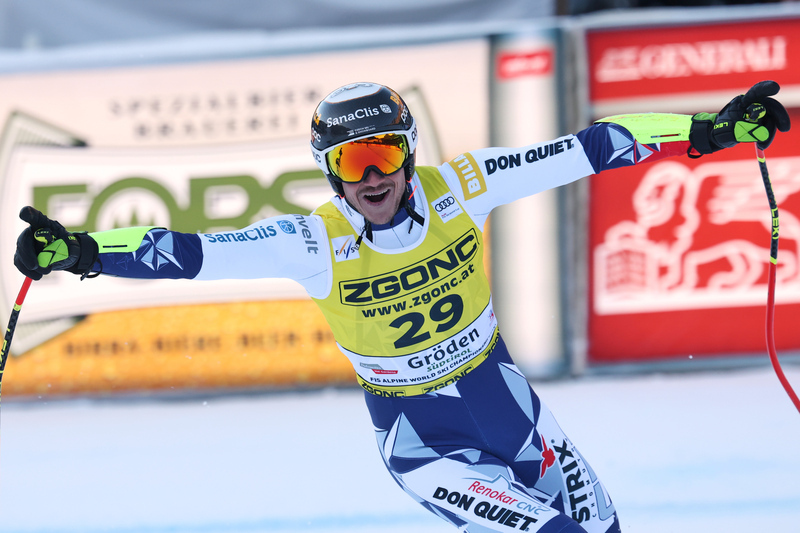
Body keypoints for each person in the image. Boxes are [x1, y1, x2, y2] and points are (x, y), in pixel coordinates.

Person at [14, 80, 790, 533]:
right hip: (426, 445)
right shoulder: (311, 242)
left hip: (512, 411)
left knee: (603, 529)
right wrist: (80, 250)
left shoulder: (465, 186)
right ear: (329, 171)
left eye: (384, 154)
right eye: (352, 162)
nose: (372, 177)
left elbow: (592, 147)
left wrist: (709, 129)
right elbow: (188, 252)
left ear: (409, 152)